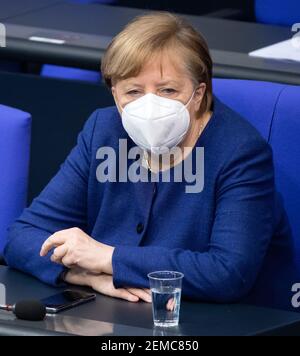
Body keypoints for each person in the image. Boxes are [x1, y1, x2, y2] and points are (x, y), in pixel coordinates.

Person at [4, 12, 291, 305]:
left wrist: (109, 258)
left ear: (198, 94)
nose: (150, 105)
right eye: (133, 91)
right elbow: (21, 237)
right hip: (116, 312)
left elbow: (228, 273)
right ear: (115, 95)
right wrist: (83, 275)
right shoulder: (103, 130)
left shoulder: (240, 152)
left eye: (168, 90)